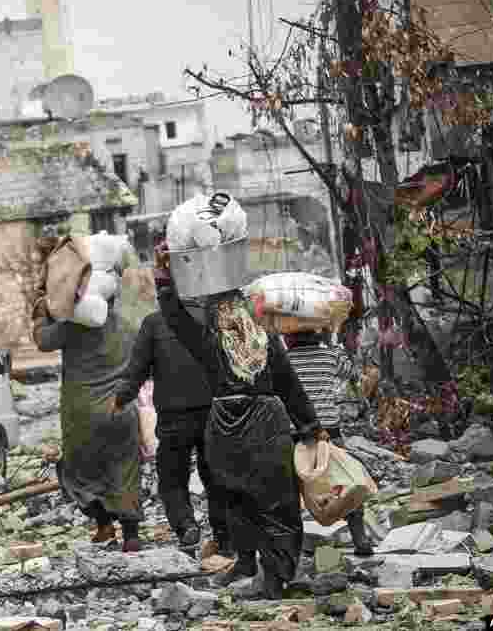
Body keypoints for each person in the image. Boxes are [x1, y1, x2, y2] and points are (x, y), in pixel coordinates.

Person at [156, 250, 322, 600]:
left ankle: (246, 562)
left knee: (236, 498)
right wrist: (310, 428)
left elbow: (175, 317)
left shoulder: (207, 341)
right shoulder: (267, 343)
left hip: (225, 425)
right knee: (276, 502)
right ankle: (276, 576)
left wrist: (164, 277)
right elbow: (290, 384)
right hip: (266, 423)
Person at [114, 266, 228, 554]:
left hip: (174, 416)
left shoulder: (154, 324)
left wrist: (120, 399)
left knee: (172, 478)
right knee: (214, 475)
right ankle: (224, 536)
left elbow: (136, 370)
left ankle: (186, 526)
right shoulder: (209, 319)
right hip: (212, 412)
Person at [32, 276, 144, 553]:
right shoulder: (128, 327)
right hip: (121, 410)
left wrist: (41, 310)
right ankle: (131, 536)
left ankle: (103, 523)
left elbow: (43, 340)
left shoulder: (73, 326)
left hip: (82, 415)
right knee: (125, 470)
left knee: (77, 471)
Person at [284, 329, 374, 556]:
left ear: (288, 336)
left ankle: (291, 545)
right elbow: (353, 375)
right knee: (345, 483)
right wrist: (333, 345)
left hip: (294, 434)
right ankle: (360, 539)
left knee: (290, 491)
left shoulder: (284, 359)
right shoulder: (330, 356)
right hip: (329, 433)